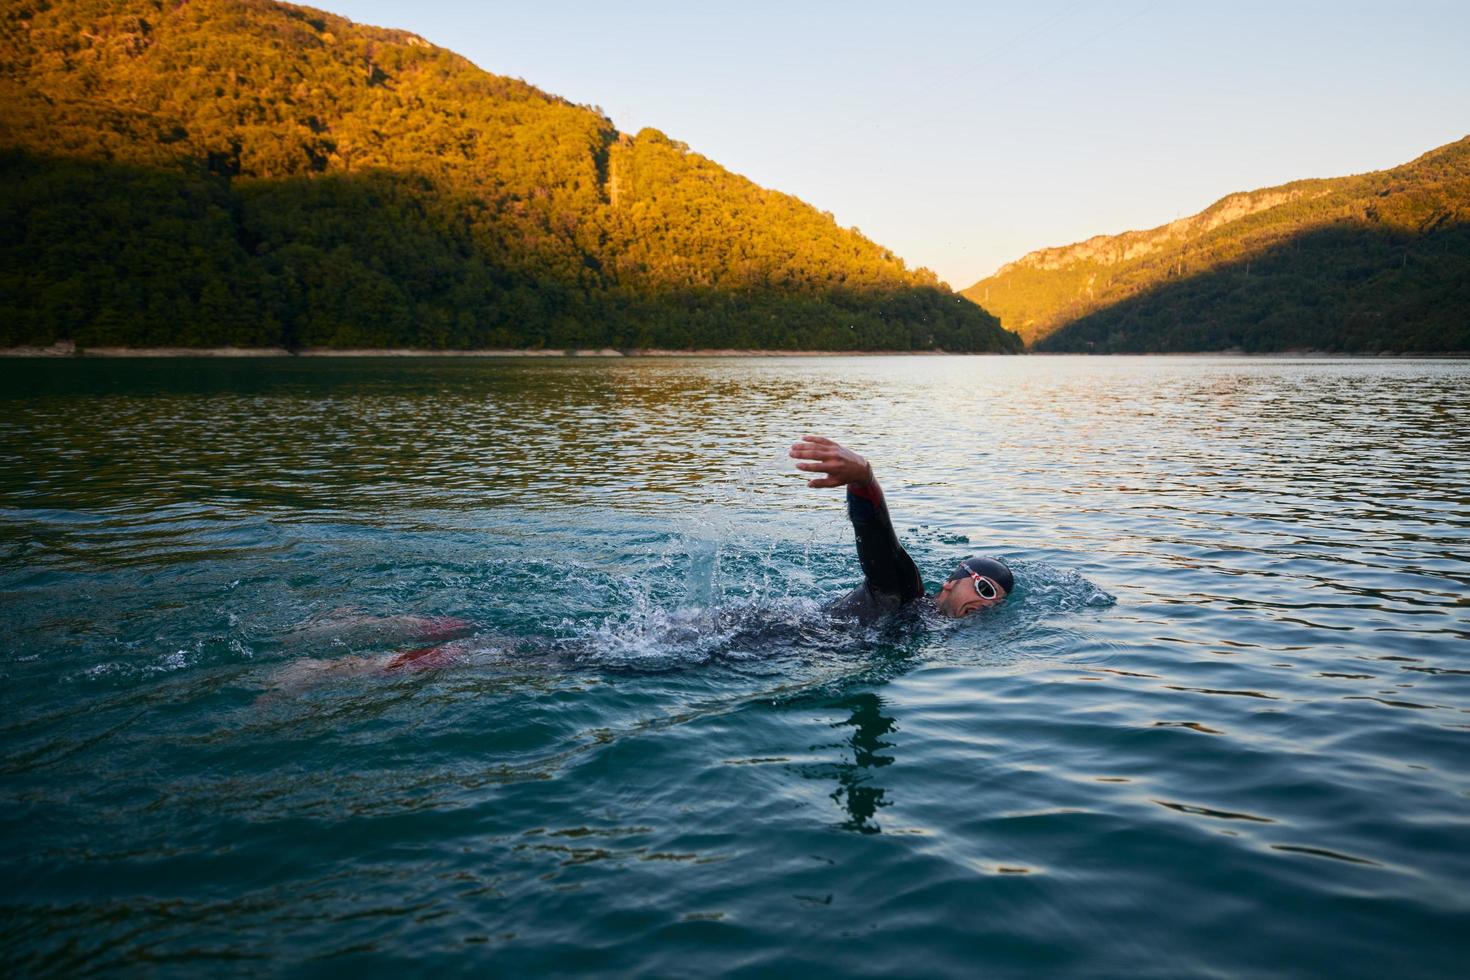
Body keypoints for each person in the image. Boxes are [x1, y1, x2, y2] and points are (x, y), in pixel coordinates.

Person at [788, 434, 1013, 622]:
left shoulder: (935, 631)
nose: (987, 605)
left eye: (996, 604)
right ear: (950, 583)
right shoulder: (906, 593)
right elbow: (882, 547)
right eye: (985, 589)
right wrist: (864, 480)